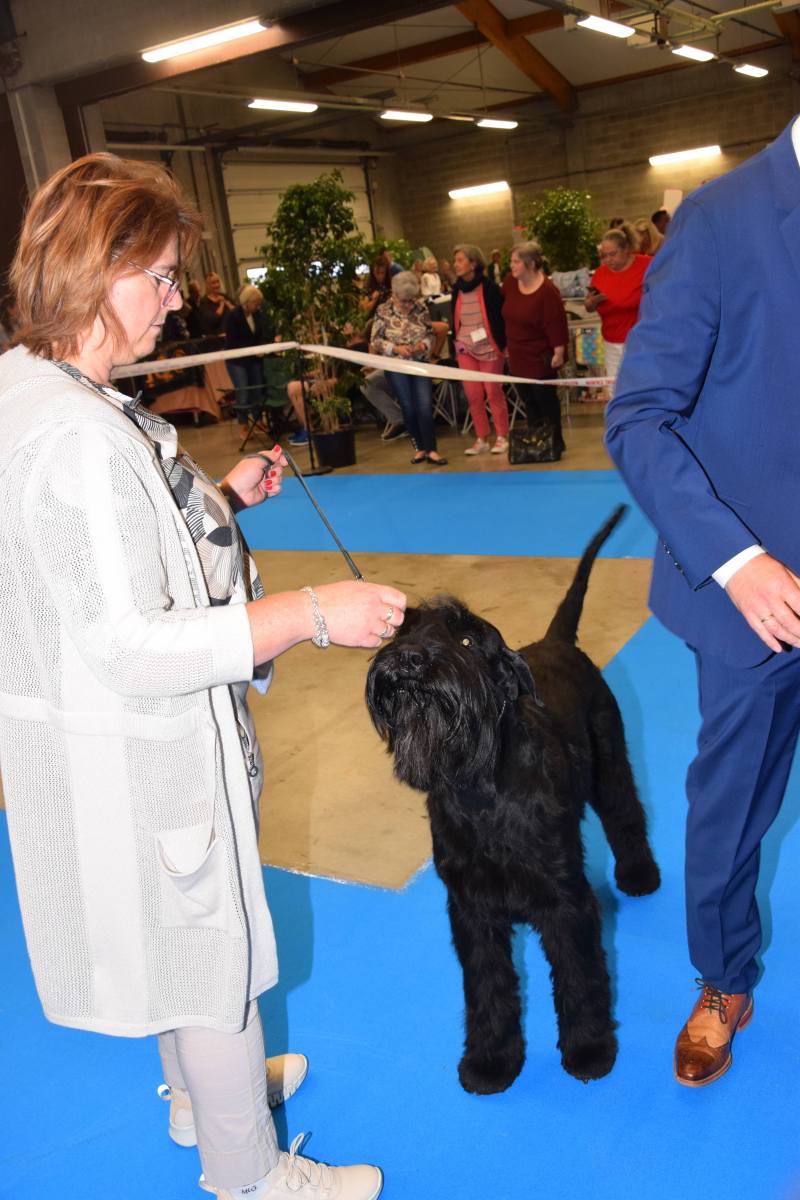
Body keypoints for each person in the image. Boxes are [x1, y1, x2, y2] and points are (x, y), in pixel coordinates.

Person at [0, 151, 405, 1200]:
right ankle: (250, 1171)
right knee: (207, 949)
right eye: (163, 277)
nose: (177, 301)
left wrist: (218, 498)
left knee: (180, 946)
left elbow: (109, 560)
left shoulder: (31, 391)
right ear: (101, 270)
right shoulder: (81, 438)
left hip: (93, 744)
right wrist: (309, 614)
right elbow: (133, 641)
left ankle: (200, 1095)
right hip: (140, 746)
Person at [604, 115, 800, 1090]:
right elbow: (638, 416)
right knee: (730, 808)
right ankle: (723, 981)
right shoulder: (721, 220)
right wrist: (736, 561)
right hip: (753, 599)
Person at [370, 270, 447, 465]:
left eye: (411, 300)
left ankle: (432, 450)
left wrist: (424, 345)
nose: (408, 305)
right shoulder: (383, 310)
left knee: (424, 407)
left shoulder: (420, 307)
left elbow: (429, 333)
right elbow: (375, 340)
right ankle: (419, 448)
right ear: (394, 294)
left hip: (420, 364)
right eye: (404, 301)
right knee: (408, 407)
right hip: (395, 365)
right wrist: (395, 348)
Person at [502, 240, 569, 453]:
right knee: (528, 401)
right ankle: (536, 443)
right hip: (517, 353)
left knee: (545, 400)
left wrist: (559, 351)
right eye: (511, 261)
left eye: (516, 262)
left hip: (540, 356)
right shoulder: (510, 284)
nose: (511, 266)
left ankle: (554, 442)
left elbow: (556, 322)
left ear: (530, 264)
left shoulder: (547, 290)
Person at [450, 243, 508, 455]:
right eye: (455, 261)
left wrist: (502, 345)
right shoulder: (456, 289)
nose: (456, 265)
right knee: (473, 395)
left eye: (460, 260)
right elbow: (455, 320)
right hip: (465, 349)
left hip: (489, 348)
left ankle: (502, 436)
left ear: (473, 264)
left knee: (493, 392)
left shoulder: (490, 288)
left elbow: (499, 319)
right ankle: (481, 438)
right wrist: (457, 344)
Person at [584, 225, 650, 380]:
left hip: (640, 342)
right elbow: (588, 306)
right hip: (610, 342)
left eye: (612, 254)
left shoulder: (646, 265)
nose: (608, 260)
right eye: (604, 256)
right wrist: (592, 301)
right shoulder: (600, 273)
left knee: (640, 384)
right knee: (613, 388)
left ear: (626, 249)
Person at [197, 271, 234, 336]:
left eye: (217, 282)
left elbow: (236, 312)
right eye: (213, 283)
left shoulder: (224, 296)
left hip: (230, 334)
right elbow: (213, 320)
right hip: (216, 337)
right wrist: (221, 304)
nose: (217, 285)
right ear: (208, 285)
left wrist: (227, 304)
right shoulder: (204, 301)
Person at [359, 256, 392, 322]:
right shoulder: (368, 286)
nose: (380, 276)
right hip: (371, 320)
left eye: (382, 273)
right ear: (373, 272)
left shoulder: (390, 286)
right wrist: (374, 299)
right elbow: (362, 310)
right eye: (377, 273)